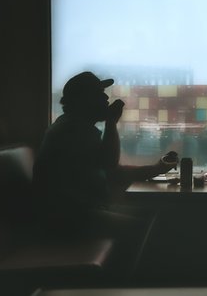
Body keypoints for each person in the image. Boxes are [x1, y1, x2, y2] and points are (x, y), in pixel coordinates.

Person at [32, 71, 177, 277]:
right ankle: (123, 285)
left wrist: (155, 169)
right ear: (82, 100)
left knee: (150, 216)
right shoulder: (73, 130)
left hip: (73, 214)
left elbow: (110, 171)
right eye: (99, 94)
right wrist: (111, 123)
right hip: (68, 220)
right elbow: (109, 164)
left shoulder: (72, 126)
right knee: (143, 226)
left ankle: (122, 282)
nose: (106, 98)